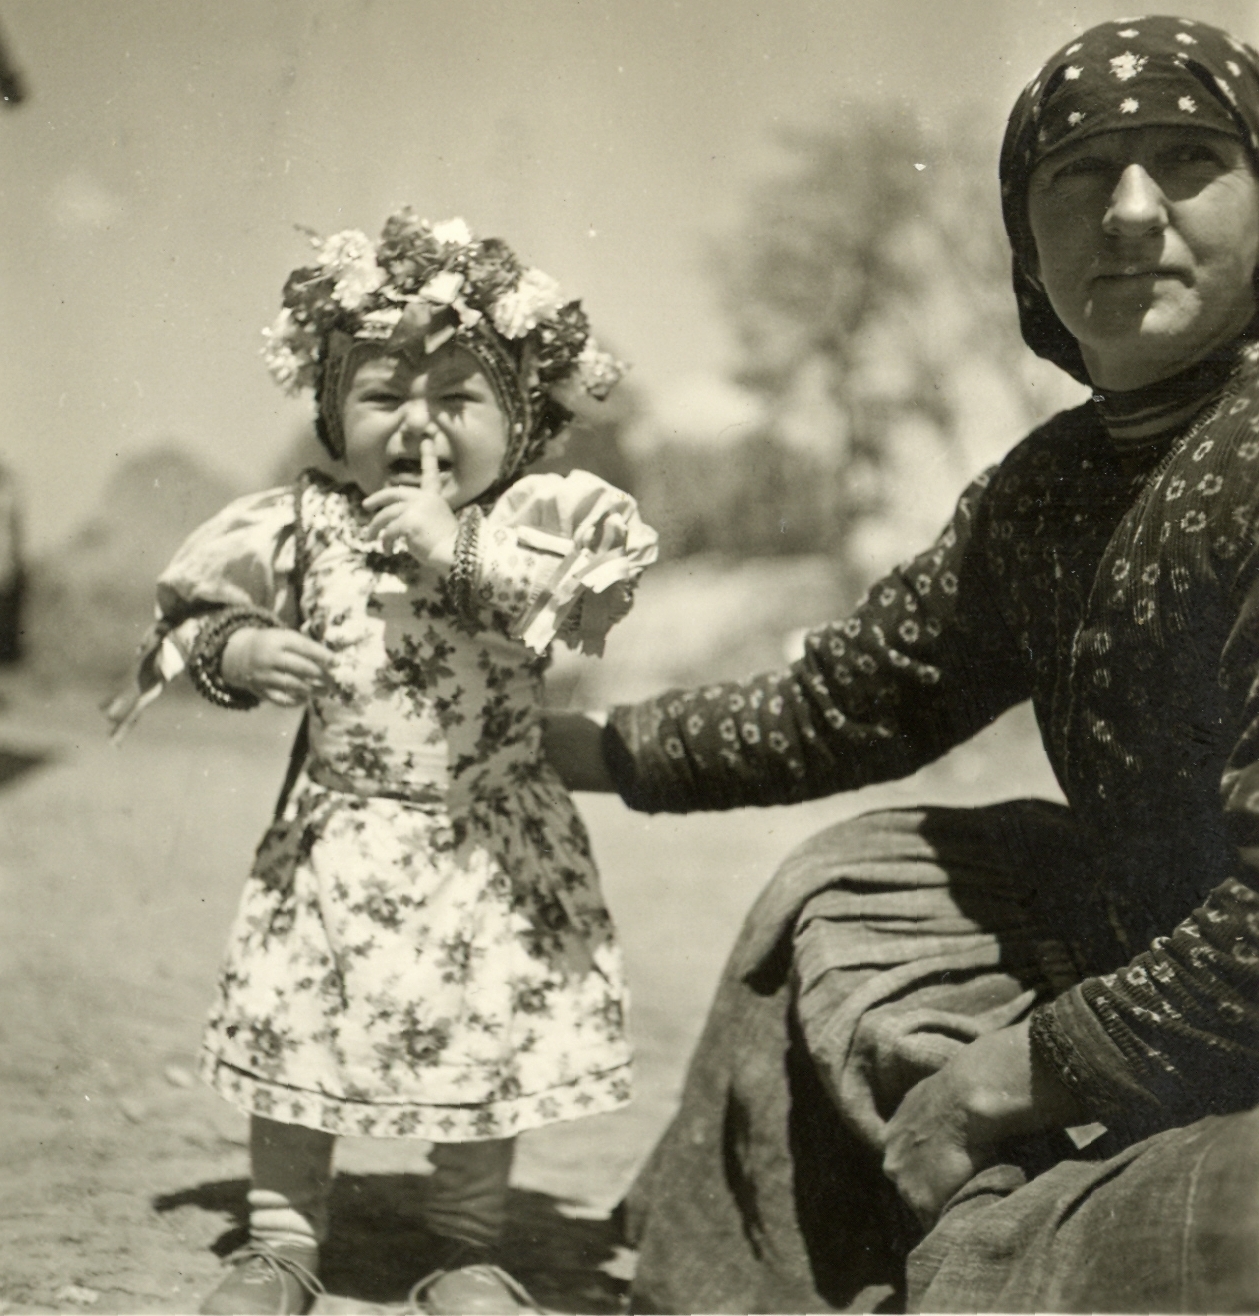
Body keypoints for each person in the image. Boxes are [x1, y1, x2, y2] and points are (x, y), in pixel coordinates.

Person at [544, 17, 1259, 1313]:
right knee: (858, 887)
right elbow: (852, 699)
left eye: (1187, 158)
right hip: (1154, 980)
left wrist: (1004, 1077)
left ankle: (1006, 1241)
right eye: (1077, 173)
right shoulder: (1044, 490)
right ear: (1022, 236)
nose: (1128, 210)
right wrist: (573, 752)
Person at [107, 211, 657, 1315]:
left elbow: (587, 601)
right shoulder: (305, 524)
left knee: (483, 1035)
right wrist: (240, 649)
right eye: (380, 397)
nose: (416, 425)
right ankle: (281, 1239)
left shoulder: (538, 520)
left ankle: (465, 1246)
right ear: (331, 412)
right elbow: (190, 617)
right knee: (299, 1025)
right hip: (338, 835)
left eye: (455, 399)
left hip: (489, 846)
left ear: (520, 418)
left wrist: (455, 545)